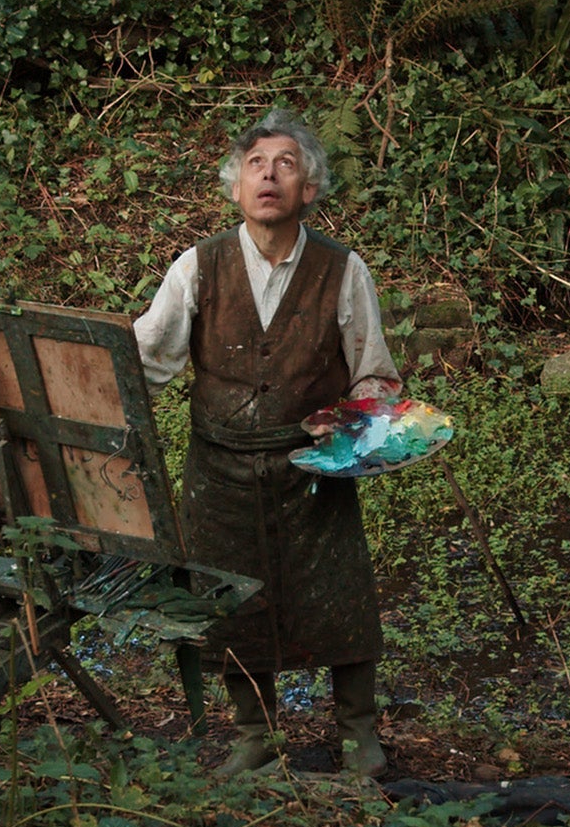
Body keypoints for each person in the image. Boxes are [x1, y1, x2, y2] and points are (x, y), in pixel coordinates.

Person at [133, 109, 401, 776]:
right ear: (235, 188)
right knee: (230, 605)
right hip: (218, 472)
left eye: (286, 164)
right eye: (255, 164)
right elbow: (146, 361)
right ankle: (256, 735)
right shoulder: (198, 267)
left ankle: (356, 735)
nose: (269, 175)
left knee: (338, 596)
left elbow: (375, 374)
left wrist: (346, 437)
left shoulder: (343, 270)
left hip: (313, 472)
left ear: (310, 188)